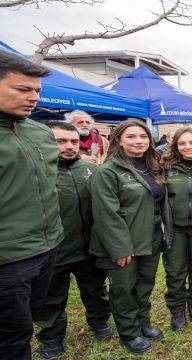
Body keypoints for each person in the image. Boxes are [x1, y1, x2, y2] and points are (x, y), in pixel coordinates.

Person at [0, 51, 63, 360]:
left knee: (30, 316)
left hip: (48, 247)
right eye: (23, 89)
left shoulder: (38, 132)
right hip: (8, 257)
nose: (33, 98)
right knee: (12, 336)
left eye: (37, 90)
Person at [89, 119, 172, 354]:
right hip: (124, 243)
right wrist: (120, 248)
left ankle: (143, 323)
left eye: (143, 137)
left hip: (151, 237)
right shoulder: (108, 171)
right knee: (124, 289)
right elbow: (106, 214)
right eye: (131, 137)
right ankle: (129, 332)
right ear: (119, 141)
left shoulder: (152, 167)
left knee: (144, 285)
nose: (138, 141)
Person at [33, 122, 112, 359]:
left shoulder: (91, 170)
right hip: (54, 248)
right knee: (51, 297)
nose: (69, 147)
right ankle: (51, 337)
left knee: (96, 290)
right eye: (61, 141)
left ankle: (99, 322)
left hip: (89, 247)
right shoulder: (38, 171)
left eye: (74, 141)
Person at [160, 127, 192, 331]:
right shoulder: (166, 167)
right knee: (175, 271)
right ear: (176, 146)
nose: (188, 147)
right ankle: (177, 310)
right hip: (176, 229)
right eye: (182, 143)